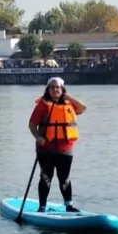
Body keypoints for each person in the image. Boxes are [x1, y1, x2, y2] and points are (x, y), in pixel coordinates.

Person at [28, 77, 87, 212]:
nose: (55, 90)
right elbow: (32, 125)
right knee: (46, 177)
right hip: (46, 148)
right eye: (52, 87)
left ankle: (69, 206)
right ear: (48, 89)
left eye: (58, 87)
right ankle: (42, 207)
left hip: (65, 149)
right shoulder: (42, 105)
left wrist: (68, 97)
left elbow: (83, 108)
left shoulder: (69, 104)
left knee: (65, 177)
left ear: (62, 89)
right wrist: (38, 137)